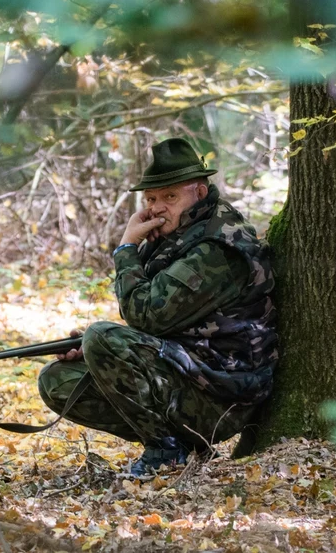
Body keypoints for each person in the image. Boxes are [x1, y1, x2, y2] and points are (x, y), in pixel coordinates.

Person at [37, 137, 277, 476]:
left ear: (200, 193)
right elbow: (155, 321)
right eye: (151, 198)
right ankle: (179, 444)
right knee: (58, 381)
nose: (158, 207)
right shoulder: (178, 235)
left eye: (170, 196)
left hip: (223, 398)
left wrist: (126, 249)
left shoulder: (217, 246)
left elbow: (145, 315)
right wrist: (93, 350)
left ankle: (167, 451)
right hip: (190, 375)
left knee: (100, 337)